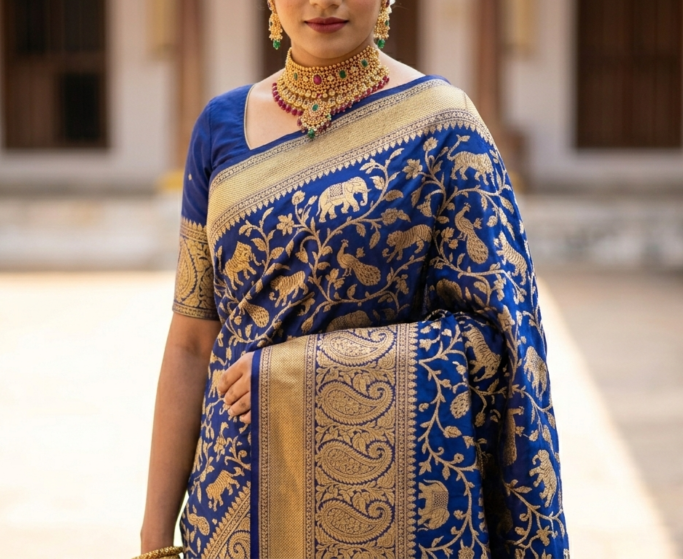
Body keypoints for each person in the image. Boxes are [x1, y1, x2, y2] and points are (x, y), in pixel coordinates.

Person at [138, 1, 569, 557]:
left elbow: (499, 343)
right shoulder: (218, 128)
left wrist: (298, 373)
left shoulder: (444, 129)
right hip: (235, 501)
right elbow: (191, 343)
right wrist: (154, 539)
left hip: (393, 506)